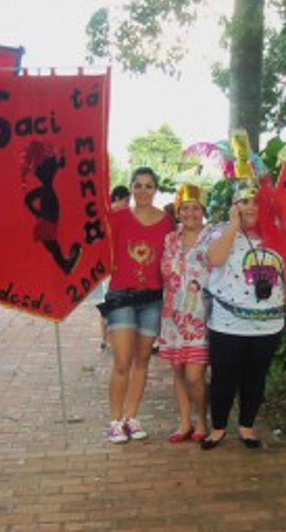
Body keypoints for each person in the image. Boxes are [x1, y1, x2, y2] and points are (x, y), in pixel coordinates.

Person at [200, 182, 286, 450]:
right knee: (223, 377)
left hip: (268, 325)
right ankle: (218, 428)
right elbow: (213, 259)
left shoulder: (280, 235)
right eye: (243, 201)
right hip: (228, 324)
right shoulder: (219, 232)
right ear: (234, 205)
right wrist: (233, 226)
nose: (250, 207)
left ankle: (247, 427)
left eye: (255, 201)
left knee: (255, 378)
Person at [102, 168, 175, 443]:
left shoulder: (167, 222)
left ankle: (131, 417)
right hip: (121, 296)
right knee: (122, 361)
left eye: (148, 186)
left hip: (152, 299)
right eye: (138, 185)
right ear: (131, 188)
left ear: (155, 189)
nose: (143, 190)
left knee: (142, 361)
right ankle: (114, 420)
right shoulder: (117, 217)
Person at [157, 184, 211, 443]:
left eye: (195, 208)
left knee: (194, 374)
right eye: (185, 208)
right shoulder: (170, 238)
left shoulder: (213, 236)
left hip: (201, 317)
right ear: (178, 212)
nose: (190, 213)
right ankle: (184, 422)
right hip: (172, 315)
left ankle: (202, 420)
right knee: (178, 370)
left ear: (203, 211)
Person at [93, 186, 131, 353]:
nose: (128, 205)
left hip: (122, 268)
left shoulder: (125, 217)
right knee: (108, 305)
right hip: (109, 268)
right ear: (116, 198)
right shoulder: (106, 216)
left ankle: (112, 340)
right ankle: (104, 340)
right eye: (126, 201)